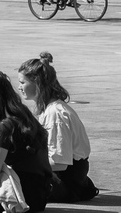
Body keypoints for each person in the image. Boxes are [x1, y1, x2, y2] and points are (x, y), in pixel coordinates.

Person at [0, 73, 55, 213]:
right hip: (38, 196)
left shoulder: (4, 128)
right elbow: (7, 155)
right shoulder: (23, 117)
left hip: (19, 197)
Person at [20, 53, 96, 202]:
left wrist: (23, 165)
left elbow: (59, 163)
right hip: (66, 179)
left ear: (37, 83)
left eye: (22, 82)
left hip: (65, 183)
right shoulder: (51, 108)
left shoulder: (55, 114)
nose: (19, 87)